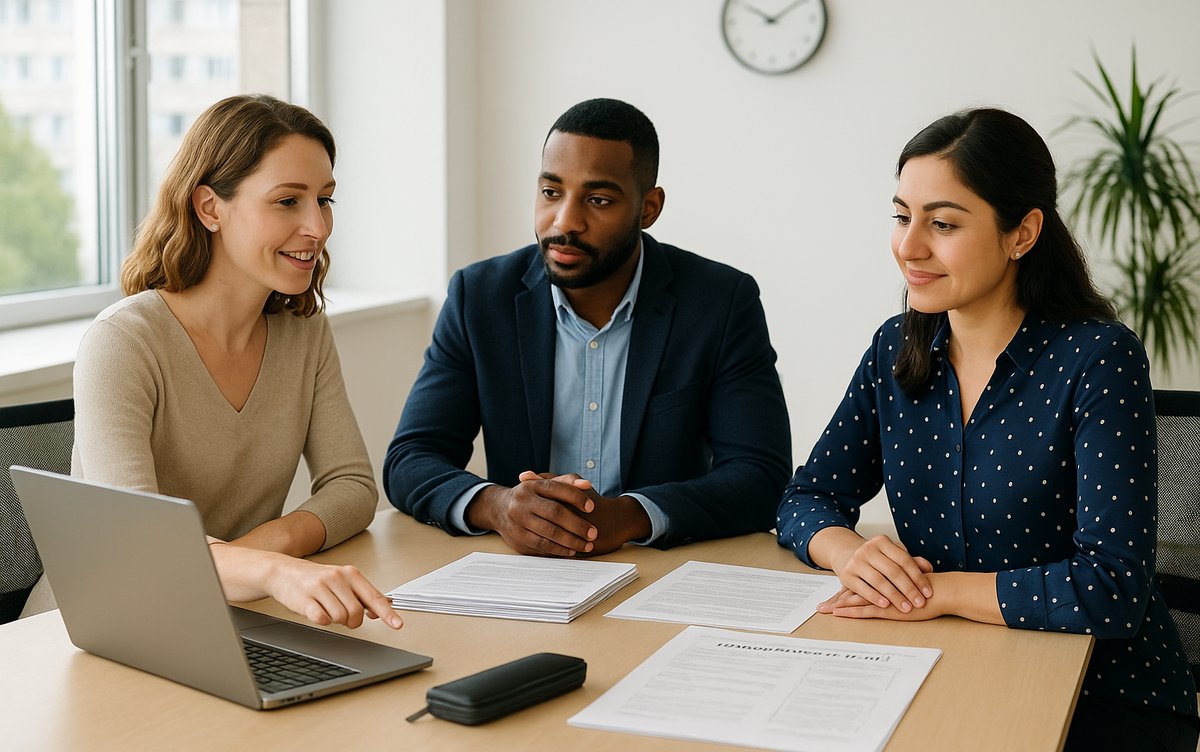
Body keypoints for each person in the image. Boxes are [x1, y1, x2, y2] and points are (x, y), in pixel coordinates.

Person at [776, 107, 1198, 751]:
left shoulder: (1098, 357)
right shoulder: (897, 346)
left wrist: (932, 592)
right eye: (901, 216)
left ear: (1022, 233)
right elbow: (805, 497)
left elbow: (1112, 588)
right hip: (942, 663)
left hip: (1102, 690)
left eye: (942, 224)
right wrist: (848, 551)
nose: (909, 246)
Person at [385, 97, 791, 556]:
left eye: (598, 200)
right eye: (551, 192)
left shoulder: (719, 302)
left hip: (659, 568)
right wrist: (497, 506)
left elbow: (760, 475)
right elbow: (410, 458)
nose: (565, 222)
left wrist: (631, 515)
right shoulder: (479, 297)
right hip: (523, 573)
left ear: (648, 208)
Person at [70, 94, 403, 632]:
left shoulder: (303, 332)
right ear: (210, 208)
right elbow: (138, 544)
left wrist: (263, 552)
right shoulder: (123, 342)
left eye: (325, 200)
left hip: (229, 612)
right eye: (287, 201)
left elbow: (353, 488)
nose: (317, 226)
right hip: (107, 626)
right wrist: (267, 570)